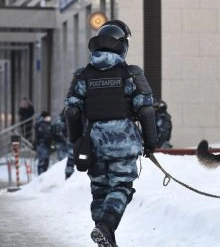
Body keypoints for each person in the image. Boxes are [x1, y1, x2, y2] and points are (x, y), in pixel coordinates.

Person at [64, 20, 156, 247]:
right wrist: (151, 143)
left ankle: (105, 239)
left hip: (93, 143)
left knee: (100, 192)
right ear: (122, 45)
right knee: (121, 187)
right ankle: (105, 227)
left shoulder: (82, 75)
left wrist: (77, 141)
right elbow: (145, 109)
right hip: (123, 143)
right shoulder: (131, 74)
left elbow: (71, 111)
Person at [52, 109, 75, 179]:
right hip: (61, 142)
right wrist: (66, 140)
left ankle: (68, 175)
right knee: (63, 159)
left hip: (61, 142)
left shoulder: (60, 120)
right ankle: (67, 175)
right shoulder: (61, 121)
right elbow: (60, 133)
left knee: (65, 158)